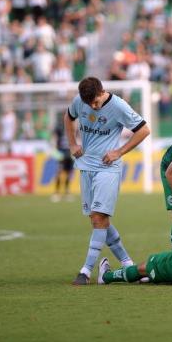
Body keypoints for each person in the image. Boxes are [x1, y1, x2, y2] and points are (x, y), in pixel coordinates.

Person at [64, 76, 150, 285]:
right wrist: (73, 144)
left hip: (107, 169)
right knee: (98, 220)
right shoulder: (80, 101)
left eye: (95, 102)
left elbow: (144, 130)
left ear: (102, 91)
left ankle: (86, 270)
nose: (93, 107)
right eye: (89, 104)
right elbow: (68, 117)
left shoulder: (118, 106)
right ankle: (127, 263)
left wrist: (119, 152)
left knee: (98, 218)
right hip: (85, 167)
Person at [51, 116, 74, 202]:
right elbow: (54, 138)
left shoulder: (72, 126)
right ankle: (56, 192)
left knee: (68, 173)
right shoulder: (59, 127)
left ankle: (67, 192)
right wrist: (54, 150)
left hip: (69, 152)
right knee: (59, 172)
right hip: (60, 152)